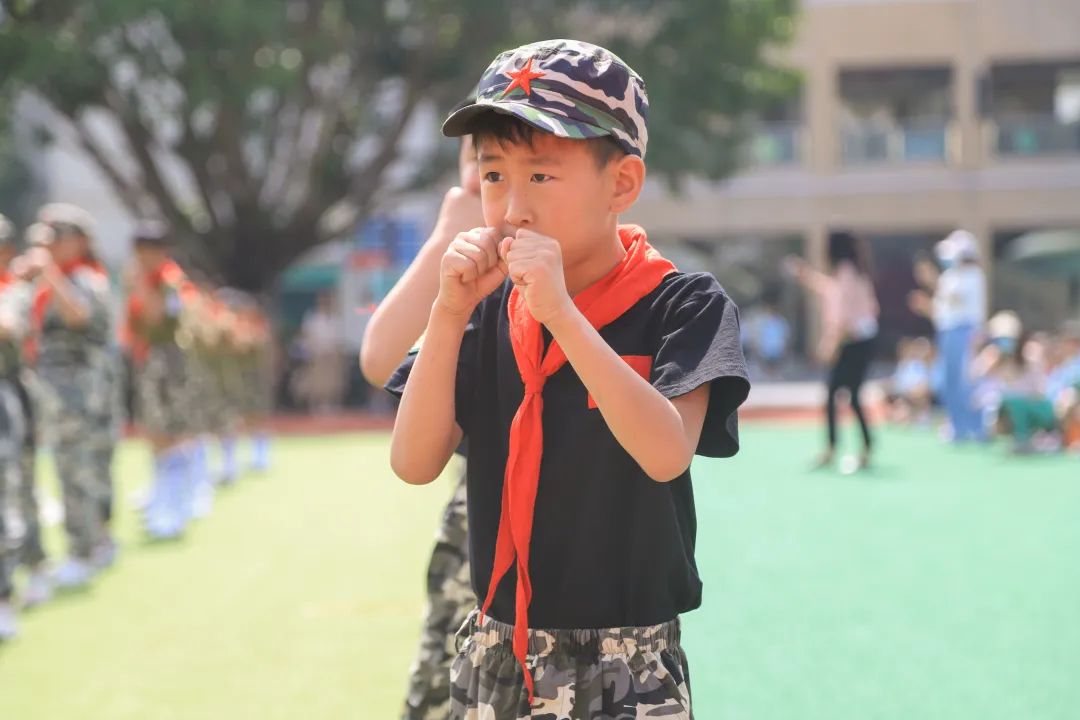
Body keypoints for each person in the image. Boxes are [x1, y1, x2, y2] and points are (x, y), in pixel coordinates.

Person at [386, 40, 750, 718]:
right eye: (493, 176)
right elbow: (413, 461)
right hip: (496, 648)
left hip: (627, 663)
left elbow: (666, 450)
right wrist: (447, 311)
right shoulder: (487, 309)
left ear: (622, 184)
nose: (512, 206)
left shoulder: (682, 304)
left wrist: (560, 313)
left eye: (541, 177)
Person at [361, 133, 483, 720]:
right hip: (477, 529)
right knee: (445, 688)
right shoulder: (465, 274)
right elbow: (380, 359)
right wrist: (446, 236)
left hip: (570, 544)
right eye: (485, 168)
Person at [21, 205, 116, 589]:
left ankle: (85, 549)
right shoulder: (49, 281)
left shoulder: (85, 278)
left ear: (77, 242)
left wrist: (47, 272)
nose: (47, 248)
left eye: (54, 240)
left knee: (77, 469)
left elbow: (78, 315)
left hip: (78, 393)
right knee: (75, 467)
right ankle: (93, 543)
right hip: (55, 391)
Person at [124, 220, 204, 539]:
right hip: (150, 361)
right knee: (155, 433)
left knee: (170, 433)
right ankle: (164, 499)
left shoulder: (169, 279)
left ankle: (175, 506)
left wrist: (140, 285)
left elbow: (158, 316)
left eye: (148, 251)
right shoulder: (148, 278)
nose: (143, 257)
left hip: (169, 363)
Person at [786, 231, 880, 470]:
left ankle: (842, 448)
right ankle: (856, 447)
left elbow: (842, 318)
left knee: (841, 395)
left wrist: (829, 345)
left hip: (854, 342)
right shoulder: (850, 271)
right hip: (859, 341)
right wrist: (806, 275)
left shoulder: (847, 272)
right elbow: (829, 289)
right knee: (846, 395)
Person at [910, 230, 987, 442]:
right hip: (948, 332)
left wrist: (931, 280)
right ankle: (958, 425)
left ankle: (977, 427)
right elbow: (942, 311)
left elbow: (956, 300)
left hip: (964, 332)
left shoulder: (973, 275)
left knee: (965, 382)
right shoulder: (950, 276)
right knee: (948, 382)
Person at [296, 291, 346, 414]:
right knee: (317, 382)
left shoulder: (335, 319)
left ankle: (330, 404)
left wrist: (336, 353)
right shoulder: (312, 318)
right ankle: (316, 406)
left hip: (331, 355)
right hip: (317, 354)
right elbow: (307, 335)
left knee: (332, 382)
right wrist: (314, 350)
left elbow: (338, 339)